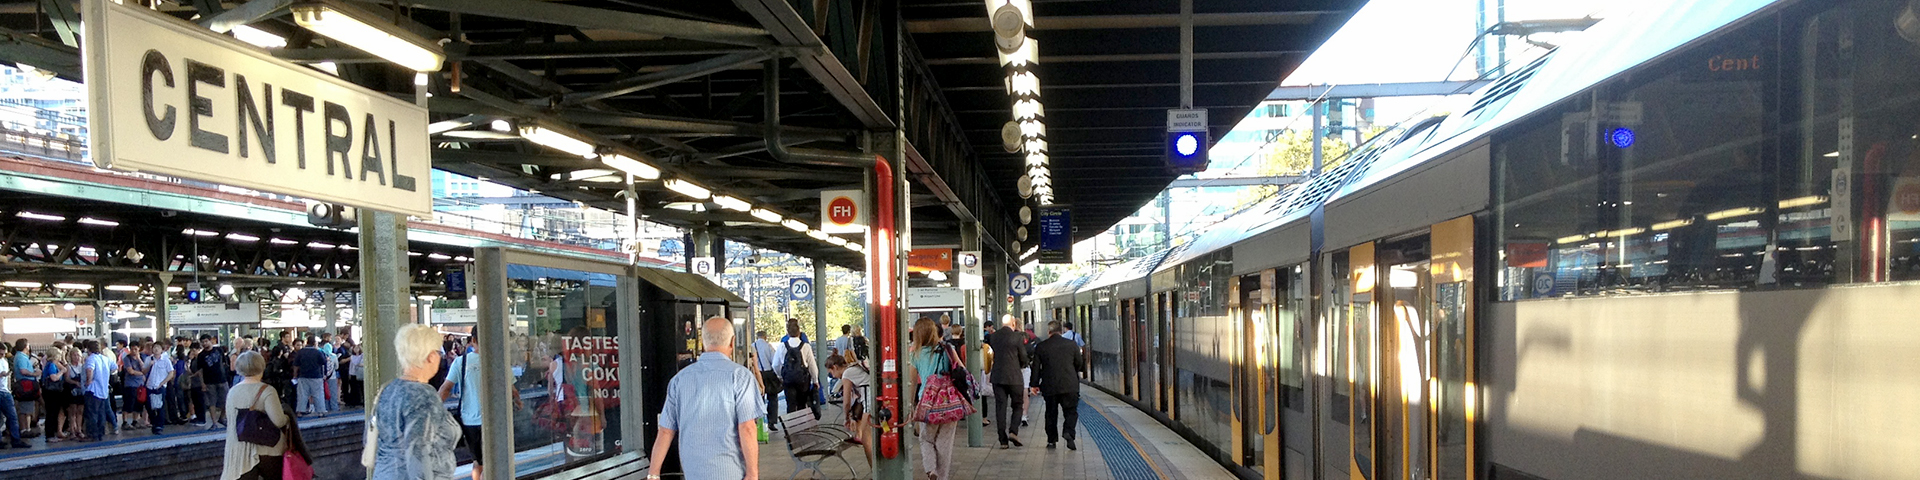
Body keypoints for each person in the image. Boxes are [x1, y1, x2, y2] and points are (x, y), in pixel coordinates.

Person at [645, 316, 761, 480]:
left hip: (693, 472)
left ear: (702, 342)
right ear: (732, 341)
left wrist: (653, 474)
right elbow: (747, 428)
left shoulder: (679, 380)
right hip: (732, 472)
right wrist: (753, 474)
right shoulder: (741, 377)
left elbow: (665, 431)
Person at [371, 324, 461, 480]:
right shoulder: (424, 395)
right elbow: (418, 452)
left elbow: (370, 439)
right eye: (439, 353)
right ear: (431, 356)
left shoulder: (388, 389)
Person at [439, 332, 521, 480]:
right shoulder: (500, 362)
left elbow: (445, 388)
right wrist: (519, 402)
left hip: (469, 421)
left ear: (473, 340)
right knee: (494, 461)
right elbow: (513, 390)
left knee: (478, 463)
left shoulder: (461, 362)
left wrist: (434, 409)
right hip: (495, 421)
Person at [903, 318, 958, 480]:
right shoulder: (948, 349)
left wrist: (910, 405)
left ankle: (931, 470)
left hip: (927, 401)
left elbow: (912, 383)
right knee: (944, 442)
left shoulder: (915, 354)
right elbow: (961, 370)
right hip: (949, 401)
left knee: (926, 438)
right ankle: (942, 477)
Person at [221, 351, 289, 480]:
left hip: (240, 449)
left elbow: (232, 422)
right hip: (269, 448)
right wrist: (287, 417)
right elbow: (279, 421)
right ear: (262, 366)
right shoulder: (268, 391)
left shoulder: (232, 391)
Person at [1030, 321, 1086, 450]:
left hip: (1050, 385)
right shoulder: (1071, 344)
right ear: (1061, 331)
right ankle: (1068, 432)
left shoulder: (1042, 346)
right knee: (1071, 411)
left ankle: (1051, 440)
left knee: (1050, 413)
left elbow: (1036, 368)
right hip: (1069, 385)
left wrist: (1034, 384)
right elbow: (1079, 363)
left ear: (1048, 332)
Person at [987, 314, 1029, 448]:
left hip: (998, 377)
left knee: (1000, 407)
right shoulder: (1017, 337)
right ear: (1013, 324)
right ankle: (1013, 431)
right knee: (1017, 405)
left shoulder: (993, 336)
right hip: (1014, 377)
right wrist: (1022, 364)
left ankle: (1003, 440)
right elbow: (1023, 356)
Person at [824, 354, 871, 463]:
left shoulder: (847, 374)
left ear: (835, 367)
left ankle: (874, 469)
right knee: (867, 436)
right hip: (871, 400)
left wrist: (846, 418)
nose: (833, 376)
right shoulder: (853, 368)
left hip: (870, 402)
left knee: (866, 438)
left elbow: (846, 401)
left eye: (831, 373)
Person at [773, 318, 817, 416]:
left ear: (788, 333)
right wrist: (815, 380)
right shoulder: (806, 346)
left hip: (788, 379)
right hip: (803, 380)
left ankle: (791, 424)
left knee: (790, 404)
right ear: (799, 332)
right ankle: (801, 423)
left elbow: (775, 364)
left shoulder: (782, 346)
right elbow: (812, 365)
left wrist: (780, 375)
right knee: (802, 404)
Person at [197, 334, 233, 430]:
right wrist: (202, 383)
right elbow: (200, 370)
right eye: (203, 342)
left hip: (222, 379)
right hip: (209, 381)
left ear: (210, 341)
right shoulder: (201, 356)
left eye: (206, 341)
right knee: (211, 402)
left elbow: (225, 363)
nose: (205, 344)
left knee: (227, 400)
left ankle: (222, 417)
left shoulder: (219, 350)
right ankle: (214, 423)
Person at [81, 340, 114, 441]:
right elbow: (114, 368)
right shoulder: (106, 359)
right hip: (103, 390)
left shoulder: (91, 358)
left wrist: (88, 381)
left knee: (92, 413)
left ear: (88, 349)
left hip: (93, 389)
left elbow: (89, 369)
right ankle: (100, 433)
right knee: (101, 413)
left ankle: (92, 434)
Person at [289, 338, 328, 416]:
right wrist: (325, 374)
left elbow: (296, 365)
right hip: (316, 376)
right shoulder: (318, 352)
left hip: (303, 375)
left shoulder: (301, 352)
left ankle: (300, 411)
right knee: (318, 394)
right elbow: (324, 362)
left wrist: (295, 375)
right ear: (314, 343)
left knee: (302, 394)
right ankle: (321, 411)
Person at [750, 330, 779, 430]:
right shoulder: (768, 346)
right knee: (773, 398)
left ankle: (760, 423)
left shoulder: (752, 346)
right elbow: (774, 361)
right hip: (769, 373)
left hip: (758, 374)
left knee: (759, 399)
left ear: (757, 337)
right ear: (765, 337)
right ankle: (772, 421)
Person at [0, 342, 28, 448]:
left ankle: (16, 439)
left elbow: (7, 377)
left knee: (12, 416)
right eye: (1, 354)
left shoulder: (4, 361)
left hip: (5, 391)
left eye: (4, 354)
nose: (2, 356)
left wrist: (9, 388)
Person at [145, 341, 176, 435]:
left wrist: (162, 383)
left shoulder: (166, 360)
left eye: (158, 347)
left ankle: (159, 426)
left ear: (162, 350)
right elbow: (143, 371)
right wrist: (149, 365)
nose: (156, 349)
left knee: (160, 406)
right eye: (154, 347)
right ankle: (154, 423)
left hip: (160, 387)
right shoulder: (148, 359)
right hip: (149, 386)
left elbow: (171, 373)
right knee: (149, 406)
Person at [13, 339, 39, 439]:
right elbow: (23, 371)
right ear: (25, 346)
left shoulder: (19, 356)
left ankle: (25, 429)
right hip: (26, 384)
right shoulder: (21, 357)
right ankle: (26, 429)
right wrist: (34, 374)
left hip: (23, 383)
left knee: (24, 408)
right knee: (27, 409)